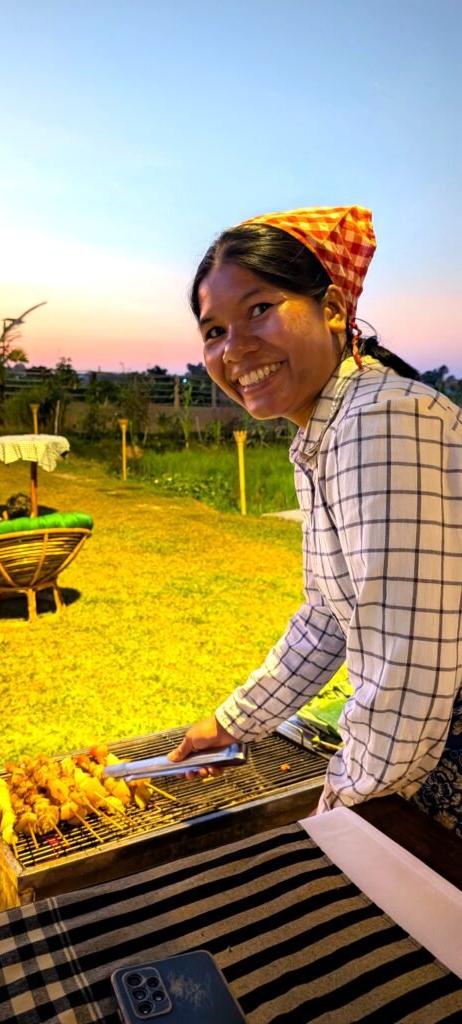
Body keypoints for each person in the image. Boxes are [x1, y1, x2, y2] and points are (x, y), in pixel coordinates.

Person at [169, 205, 462, 834]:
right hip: (426, 752)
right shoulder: (324, 432)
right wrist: (230, 722)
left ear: (331, 310)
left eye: (258, 309)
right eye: (213, 330)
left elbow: (409, 669)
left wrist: (340, 812)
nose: (235, 349)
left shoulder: (380, 421)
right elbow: (328, 615)